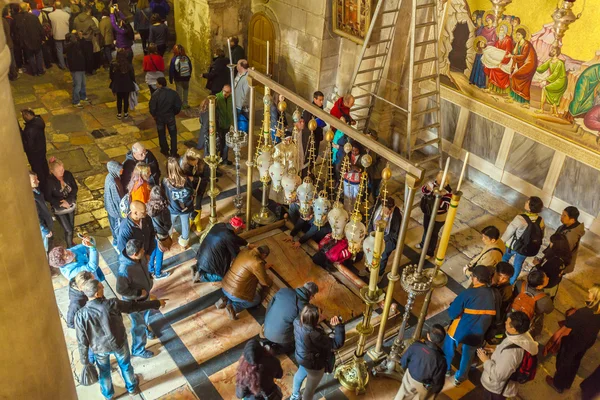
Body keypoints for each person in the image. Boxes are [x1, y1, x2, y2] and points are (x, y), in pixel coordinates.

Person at [75, 279, 166, 399]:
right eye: (101, 287)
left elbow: (82, 341)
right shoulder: (112, 304)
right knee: (125, 365)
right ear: (97, 294)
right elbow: (135, 307)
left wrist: (84, 360)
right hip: (119, 343)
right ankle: (132, 387)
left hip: (99, 348)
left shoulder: (80, 315)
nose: (103, 287)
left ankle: (108, 395)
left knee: (104, 371)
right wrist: (156, 303)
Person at [443, 265, 496, 386]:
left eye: (472, 276)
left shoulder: (469, 293)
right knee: (468, 356)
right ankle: (460, 378)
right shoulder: (494, 295)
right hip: (479, 332)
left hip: (460, 330)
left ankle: (446, 369)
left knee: (448, 349)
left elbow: (452, 313)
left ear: (476, 278)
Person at [546, 284, 600, 394]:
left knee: (565, 361)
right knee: (575, 361)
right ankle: (567, 382)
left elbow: (569, 323)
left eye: (590, 291)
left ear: (595, 297)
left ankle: (558, 384)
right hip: (587, 341)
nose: (588, 291)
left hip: (575, 341)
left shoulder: (584, 312)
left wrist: (571, 314)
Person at [478, 311, 538, 400]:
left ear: (513, 329)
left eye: (508, 322)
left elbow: (498, 376)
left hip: (496, 390)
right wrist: (496, 351)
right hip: (501, 386)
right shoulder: (522, 336)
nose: (505, 322)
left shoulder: (512, 353)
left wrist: (485, 360)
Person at [291, 305, 345, 400]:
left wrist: (317, 320)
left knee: (299, 375)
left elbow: (307, 324)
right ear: (313, 321)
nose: (322, 315)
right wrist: (338, 326)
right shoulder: (315, 335)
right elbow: (337, 343)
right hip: (314, 365)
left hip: (301, 356)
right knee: (309, 389)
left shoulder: (297, 321)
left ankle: (294, 395)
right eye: (320, 315)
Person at [116, 239, 158, 358]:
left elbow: (144, 268)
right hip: (135, 302)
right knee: (138, 326)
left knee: (145, 317)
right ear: (134, 254)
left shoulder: (140, 257)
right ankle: (138, 349)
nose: (144, 251)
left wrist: (149, 277)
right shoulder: (124, 270)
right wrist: (139, 293)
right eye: (142, 251)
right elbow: (121, 290)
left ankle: (146, 329)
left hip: (145, 296)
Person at [217, 246, 272, 320]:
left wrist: (262, 268)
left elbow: (247, 266)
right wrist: (269, 279)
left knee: (236, 289)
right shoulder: (257, 262)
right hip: (235, 293)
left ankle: (226, 299)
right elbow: (264, 282)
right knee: (256, 299)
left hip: (225, 286)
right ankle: (233, 308)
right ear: (264, 255)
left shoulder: (245, 250)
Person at [263, 282, 319, 355]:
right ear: (311, 296)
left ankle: (267, 344)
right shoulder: (303, 308)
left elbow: (270, 306)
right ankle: (273, 350)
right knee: (294, 345)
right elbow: (304, 326)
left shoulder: (284, 290)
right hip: (281, 338)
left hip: (266, 327)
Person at [394, 324, 447, 400]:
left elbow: (404, 360)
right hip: (424, 384)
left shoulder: (416, 345)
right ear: (441, 340)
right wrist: (436, 390)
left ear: (428, 335)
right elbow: (438, 380)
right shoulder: (441, 360)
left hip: (410, 376)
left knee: (402, 394)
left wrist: (404, 367)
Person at [501, 196, 545, 284]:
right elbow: (541, 235)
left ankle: (501, 274)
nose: (525, 203)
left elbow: (509, 231)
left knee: (505, 258)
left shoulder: (520, 218)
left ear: (530, 206)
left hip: (513, 246)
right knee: (518, 264)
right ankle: (511, 282)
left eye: (527, 202)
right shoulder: (540, 221)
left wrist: (501, 241)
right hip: (526, 248)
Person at [192, 216, 247, 282]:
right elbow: (236, 254)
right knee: (225, 276)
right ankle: (203, 277)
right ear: (237, 228)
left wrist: (246, 243)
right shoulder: (229, 236)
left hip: (201, 257)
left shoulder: (219, 225)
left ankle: (198, 268)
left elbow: (234, 238)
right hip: (211, 263)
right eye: (241, 229)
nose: (241, 230)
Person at [417, 170, 452, 258]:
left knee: (433, 234)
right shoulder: (435, 184)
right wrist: (427, 189)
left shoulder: (448, 193)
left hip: (438, 217)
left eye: (440, 181)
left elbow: (445, 206)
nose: (437, 182)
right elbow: (425, 192)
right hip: (429, 212)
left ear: (446, 182)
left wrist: (438, 197)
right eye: (437, 180)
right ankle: (423, 244)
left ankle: (429, 252)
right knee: (426, 229)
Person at [162, 157, 194, 248]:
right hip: (186, 208)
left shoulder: (165, 181)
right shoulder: (186, 179)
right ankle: (184, 241)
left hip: (172, 208)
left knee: (170, 223)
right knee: (185, 224)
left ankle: (168, 238)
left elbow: (163, 194)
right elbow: (191, 191)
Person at [512, 269, 553, 338]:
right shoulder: (545, 300)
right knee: (539, 321)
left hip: (515, 311)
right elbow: (549, 310)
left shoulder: (519, 283)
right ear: (539, 286)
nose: (548, 278)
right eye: (546, 278)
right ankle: (535, 334)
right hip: (530, 318)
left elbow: (514, 294)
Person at [46, 157, 78, 246]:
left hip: (70, 204)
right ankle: (70, 247)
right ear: (52, 171)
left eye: (62, 169)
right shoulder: (49, 181)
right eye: (59, 170)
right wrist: (61, 203)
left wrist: (68, 201)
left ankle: (70, 241)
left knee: (71, 226)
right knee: (68, 229)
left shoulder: (68, 175)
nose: (62, 172)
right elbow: (48, 197)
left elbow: (75, 188)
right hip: (59, 208)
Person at [368, 197, 402, 279]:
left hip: (386, 240)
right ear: (382, 206)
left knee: (382, 258)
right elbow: (369, 219)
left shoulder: (396, 216)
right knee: (370, 254)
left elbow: (395, 233)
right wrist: (370, 234)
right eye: (386, 210)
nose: (388, 212)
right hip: (373, 236)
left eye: (390, 210)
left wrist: (388, 245)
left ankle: (379, 274)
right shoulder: (376, 208)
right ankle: (368, 269)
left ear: (393, 207)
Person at [149, 77, 182, 157]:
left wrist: (154, 115)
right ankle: (173, 152)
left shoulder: (156, 94)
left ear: (160, 84)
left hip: (160, 117)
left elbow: (152, 107)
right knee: (173, 134)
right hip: (170, 117)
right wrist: (173, 113)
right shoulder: (173, 93)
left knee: (161, 133)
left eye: (157, 83)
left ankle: (164, 150)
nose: (156, 85)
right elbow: (178, 105)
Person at [506, 27, 538, 108]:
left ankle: (526, 102)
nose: (517, 36)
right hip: (524, 64)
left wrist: (512, 56)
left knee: (516, 77)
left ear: (523, 35)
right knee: (520, 80)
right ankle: (515, 98)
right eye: (516, 34)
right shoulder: (519, 43)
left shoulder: (526, 44)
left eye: (519, 35)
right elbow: (517, 56)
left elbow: (523, 57)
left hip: (529, 65)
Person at [533, 233, 571, 299]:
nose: (550, 244)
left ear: (556, 245)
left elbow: (543, 272)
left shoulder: (554, 259)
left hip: (546, 285)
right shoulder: (565, 256)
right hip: (554, 284)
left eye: (551, 242)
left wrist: (537, 265)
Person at [20, 109, 49, 193]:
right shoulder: (39, 120)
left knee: (38, 171)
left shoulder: (30, 130)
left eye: (24, 116)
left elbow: (28, 145)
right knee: (44, 166)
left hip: (35, 154)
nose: (23, 118)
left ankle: (44, 188)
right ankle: (48, 181)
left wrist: (22, 134)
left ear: (27, 115)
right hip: (41, 149)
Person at [179, 148, 209, 231]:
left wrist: (194, 178)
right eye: (194, 160)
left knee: (198, 203)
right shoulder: (182, 163)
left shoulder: (203, 163)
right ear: (189, 160)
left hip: (200, 187)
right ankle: (190, 219)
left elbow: (206, 178)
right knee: (189, 204)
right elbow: (180, 176)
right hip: (188, 188)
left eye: (197, 160)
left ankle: (197, 220)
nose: (197, 162)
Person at [146, 186, 171, 279]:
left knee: (153, 251)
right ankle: (158, 273)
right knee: (160, 253)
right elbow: (168, 224)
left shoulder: (148, 206)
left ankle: (150, 268)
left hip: (152, 234)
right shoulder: (164, 210)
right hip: (162, 234)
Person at [14, 2, 45, 76]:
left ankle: (34, 71)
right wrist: (43, 38)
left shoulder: (17, 18)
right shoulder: (33, 17)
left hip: (26, 41)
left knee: (30, 56)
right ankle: (40, 70)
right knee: (38, 55)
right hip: (36, 39)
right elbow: (40, 28)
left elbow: (17, 31)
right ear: (27, 8)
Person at [484, 21, 513, 95]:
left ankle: (503, 91)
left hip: (506, 62)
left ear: (506, 31)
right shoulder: (498, 40)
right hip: (498, 61)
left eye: (502, 30)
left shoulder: (508, 40)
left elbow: (508, 53)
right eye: (500, 30)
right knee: (490, 67)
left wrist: (502, 62)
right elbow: (495, 50)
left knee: (495, 69)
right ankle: (491, 88)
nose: (500, 31)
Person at [536, 47, 567, 116]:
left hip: (561, 81)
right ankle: (552, 111)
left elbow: (555, 74)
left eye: (553, 51)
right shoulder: (550, 61)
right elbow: (542, 68)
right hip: (555, 81)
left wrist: (545, 79)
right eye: (551, 50)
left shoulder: (559, 63)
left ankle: (541, 109)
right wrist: (534, 67)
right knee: (548, 90)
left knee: (545, 88)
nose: (551, 51)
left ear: (556, 53)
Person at [555, 206, 585, 275]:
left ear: (572, 220)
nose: (561, 216)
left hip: (560, 264)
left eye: (564, 215)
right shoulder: (565, 226)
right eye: (562, 214)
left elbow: (564, 252)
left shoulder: (572, 235)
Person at [30, 171, 53, 253]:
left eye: (37, 179)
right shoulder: (31, 198)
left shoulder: (35, 189)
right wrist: (45, 230)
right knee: (44, 247)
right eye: (34, 181)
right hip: (43, 229)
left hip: (46, 220)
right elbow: (37, 218)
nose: (38, 181)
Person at [109, 49, 136, 119]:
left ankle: (119, 113)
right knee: (126, 98)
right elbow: (132, 75)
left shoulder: (113, 65)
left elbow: (111, 76)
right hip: (127, 84)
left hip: (118, 85)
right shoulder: (128, 64)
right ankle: (126, 113)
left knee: (119, 99)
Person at [64, 32, 88, 108]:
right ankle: (76, 101)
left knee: (83, 84)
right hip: (76, 68)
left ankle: (83, 96)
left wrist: (81, 39)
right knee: (77, 85)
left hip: (81, 67)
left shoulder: (76, 44)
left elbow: (83, 47)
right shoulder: (70, 46)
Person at [73, 6, 98, 74]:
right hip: (88, 39)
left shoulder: (76, 18)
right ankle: (89, 71)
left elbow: (74, 27)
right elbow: (96, 30)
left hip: (79, 38)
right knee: (89, 56)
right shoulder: (90, 19)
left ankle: (82, 69)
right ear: (88, 11)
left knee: (81, 55)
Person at [104, 161, 124, 245]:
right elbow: (117, 200)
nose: (122, 171)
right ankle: (118, 242)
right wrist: (122, 213)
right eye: (120, 170)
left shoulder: (110, 176)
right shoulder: (113, 183)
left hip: (110, 208)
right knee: (117, 227)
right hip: (115, 211)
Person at [342, 140, 364, 213]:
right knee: (347, 198)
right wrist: (344, 168)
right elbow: (340, 166)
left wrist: (357, 168)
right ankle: (347, 212)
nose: (354, 152)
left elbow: (364, 169)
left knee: (356, 198)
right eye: (353, 151)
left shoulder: (363, 158)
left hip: (357, 182)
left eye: (356, 151)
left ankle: (354, 213)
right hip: (347, 180)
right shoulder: (347, 155)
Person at [169, 44, 192, 109]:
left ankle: (180, 105)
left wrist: (171, 79)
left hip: (178, 78)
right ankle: (185, 104)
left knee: (179, 91)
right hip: (186, 77)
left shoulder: (174, 59)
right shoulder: (187, 58)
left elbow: (171, 70)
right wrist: (189, 76)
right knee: (186, 90)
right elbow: (190, 67)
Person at [49, 1, 70, 70]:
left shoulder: (50, 15)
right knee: (67, 50)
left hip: (57, 34)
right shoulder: (67, 15)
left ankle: (62, 65)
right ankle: (68, 64)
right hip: (66, 34)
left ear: (54, 6)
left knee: (59, 50)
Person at [216, 84, 233, 164]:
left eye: (228, 92)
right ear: (222, 90)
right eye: (224, 91)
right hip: (220, 125)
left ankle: (224, 159)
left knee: (226, 143)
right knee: (219, 143)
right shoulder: (217, 98)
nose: (226, 94)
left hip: (227, 124)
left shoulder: (231, 99)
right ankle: (217, 159)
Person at [234, 59, 250, 133]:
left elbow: (246, 94)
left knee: (242, 124)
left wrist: (243, 106)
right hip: (236, 103)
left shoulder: (247, 78)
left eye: (237, 64)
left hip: (241, 106)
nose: (236, 66)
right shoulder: (239, 74)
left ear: (241, 66)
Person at [3, 7, 18, 81]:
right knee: (11, 59)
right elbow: (8, 32)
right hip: (7, 44)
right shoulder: (4, 21)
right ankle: (13, 74)